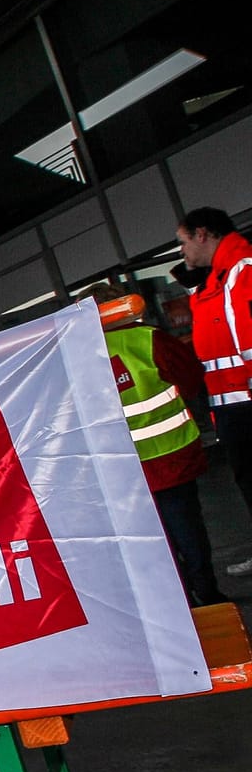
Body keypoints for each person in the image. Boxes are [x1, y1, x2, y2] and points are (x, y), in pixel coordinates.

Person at [92, 285, 227, 605]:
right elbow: (192, 379)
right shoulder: (149, 339)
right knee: (189, 531)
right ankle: (208, 596)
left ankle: (181, 606)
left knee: (154, 543)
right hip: (171, 458)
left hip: (122, 472)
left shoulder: (81, 356)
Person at [174, 206, 252, 576]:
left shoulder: (241, 270)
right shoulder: (219, 277)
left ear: (202, 234)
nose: (183, 252)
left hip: (245, 402)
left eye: (184, 242)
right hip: (233, 405)